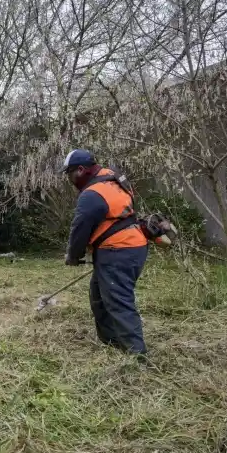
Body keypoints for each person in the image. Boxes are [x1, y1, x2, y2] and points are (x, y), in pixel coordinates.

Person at [62, 149, 149, 355]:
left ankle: (136, 355)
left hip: (118, 251)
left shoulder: (92, 194)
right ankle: (111, 342)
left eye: (70, 174)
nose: (69, 179)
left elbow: (80, 228)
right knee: (99, 297)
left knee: (119, 302)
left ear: (81, 170)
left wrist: (73, 256)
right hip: (132, 246)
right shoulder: (114, 179)